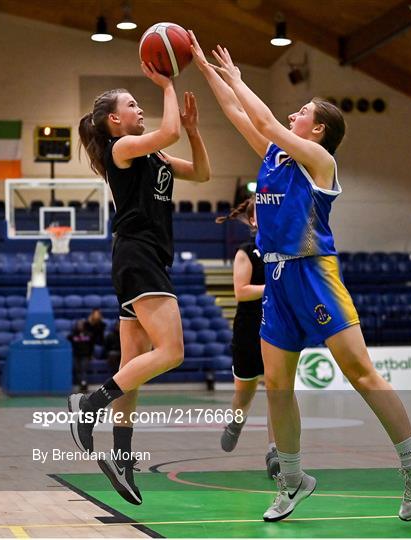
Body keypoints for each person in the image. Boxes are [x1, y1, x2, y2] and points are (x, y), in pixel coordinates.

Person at [189, 32, 411, 523]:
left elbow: (257, 115)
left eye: (302, 111)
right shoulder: (274, 157)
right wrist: (202, 65)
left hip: (315, 275)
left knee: (361, 373)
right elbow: (242, 118)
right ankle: (294, 479)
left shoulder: (320, 163)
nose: (292, 115)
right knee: (277, 386)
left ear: (317, 129)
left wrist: (237, 76)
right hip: (279, 281)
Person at [70, 60, 211, 505]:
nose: (139, 108)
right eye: (132, 104)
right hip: (139, 255)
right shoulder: (123, 149)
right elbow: (164, 131)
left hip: (146, 259)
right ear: (115, 121)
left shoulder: (154, 155)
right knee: (172, 352)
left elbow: (203, 174)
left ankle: (124, 461)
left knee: (134, 366)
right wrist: (168, 84)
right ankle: (89, 404)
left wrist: (192, 129)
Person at [216, 196, 279, 478]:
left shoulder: (285, 249)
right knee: (245, 393)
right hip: (248, 329)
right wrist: (275, 288)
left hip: (278, 327)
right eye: (260, 213)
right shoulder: (246, 252)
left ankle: (275, 452)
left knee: (278, 392)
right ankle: (236, 422)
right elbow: (241, 291)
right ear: (252, 220)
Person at [68, 319, 94, 393]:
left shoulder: (88, 334)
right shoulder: (73, 335)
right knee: (77, 370)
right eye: (79, 325)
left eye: (81, 325)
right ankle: (81, 384)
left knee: (83, 370)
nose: (80, 326)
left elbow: (91, 346)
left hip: (85, 355)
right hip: (76, 355)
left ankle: (84, 385)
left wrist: (91, 354)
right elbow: (67, 339)